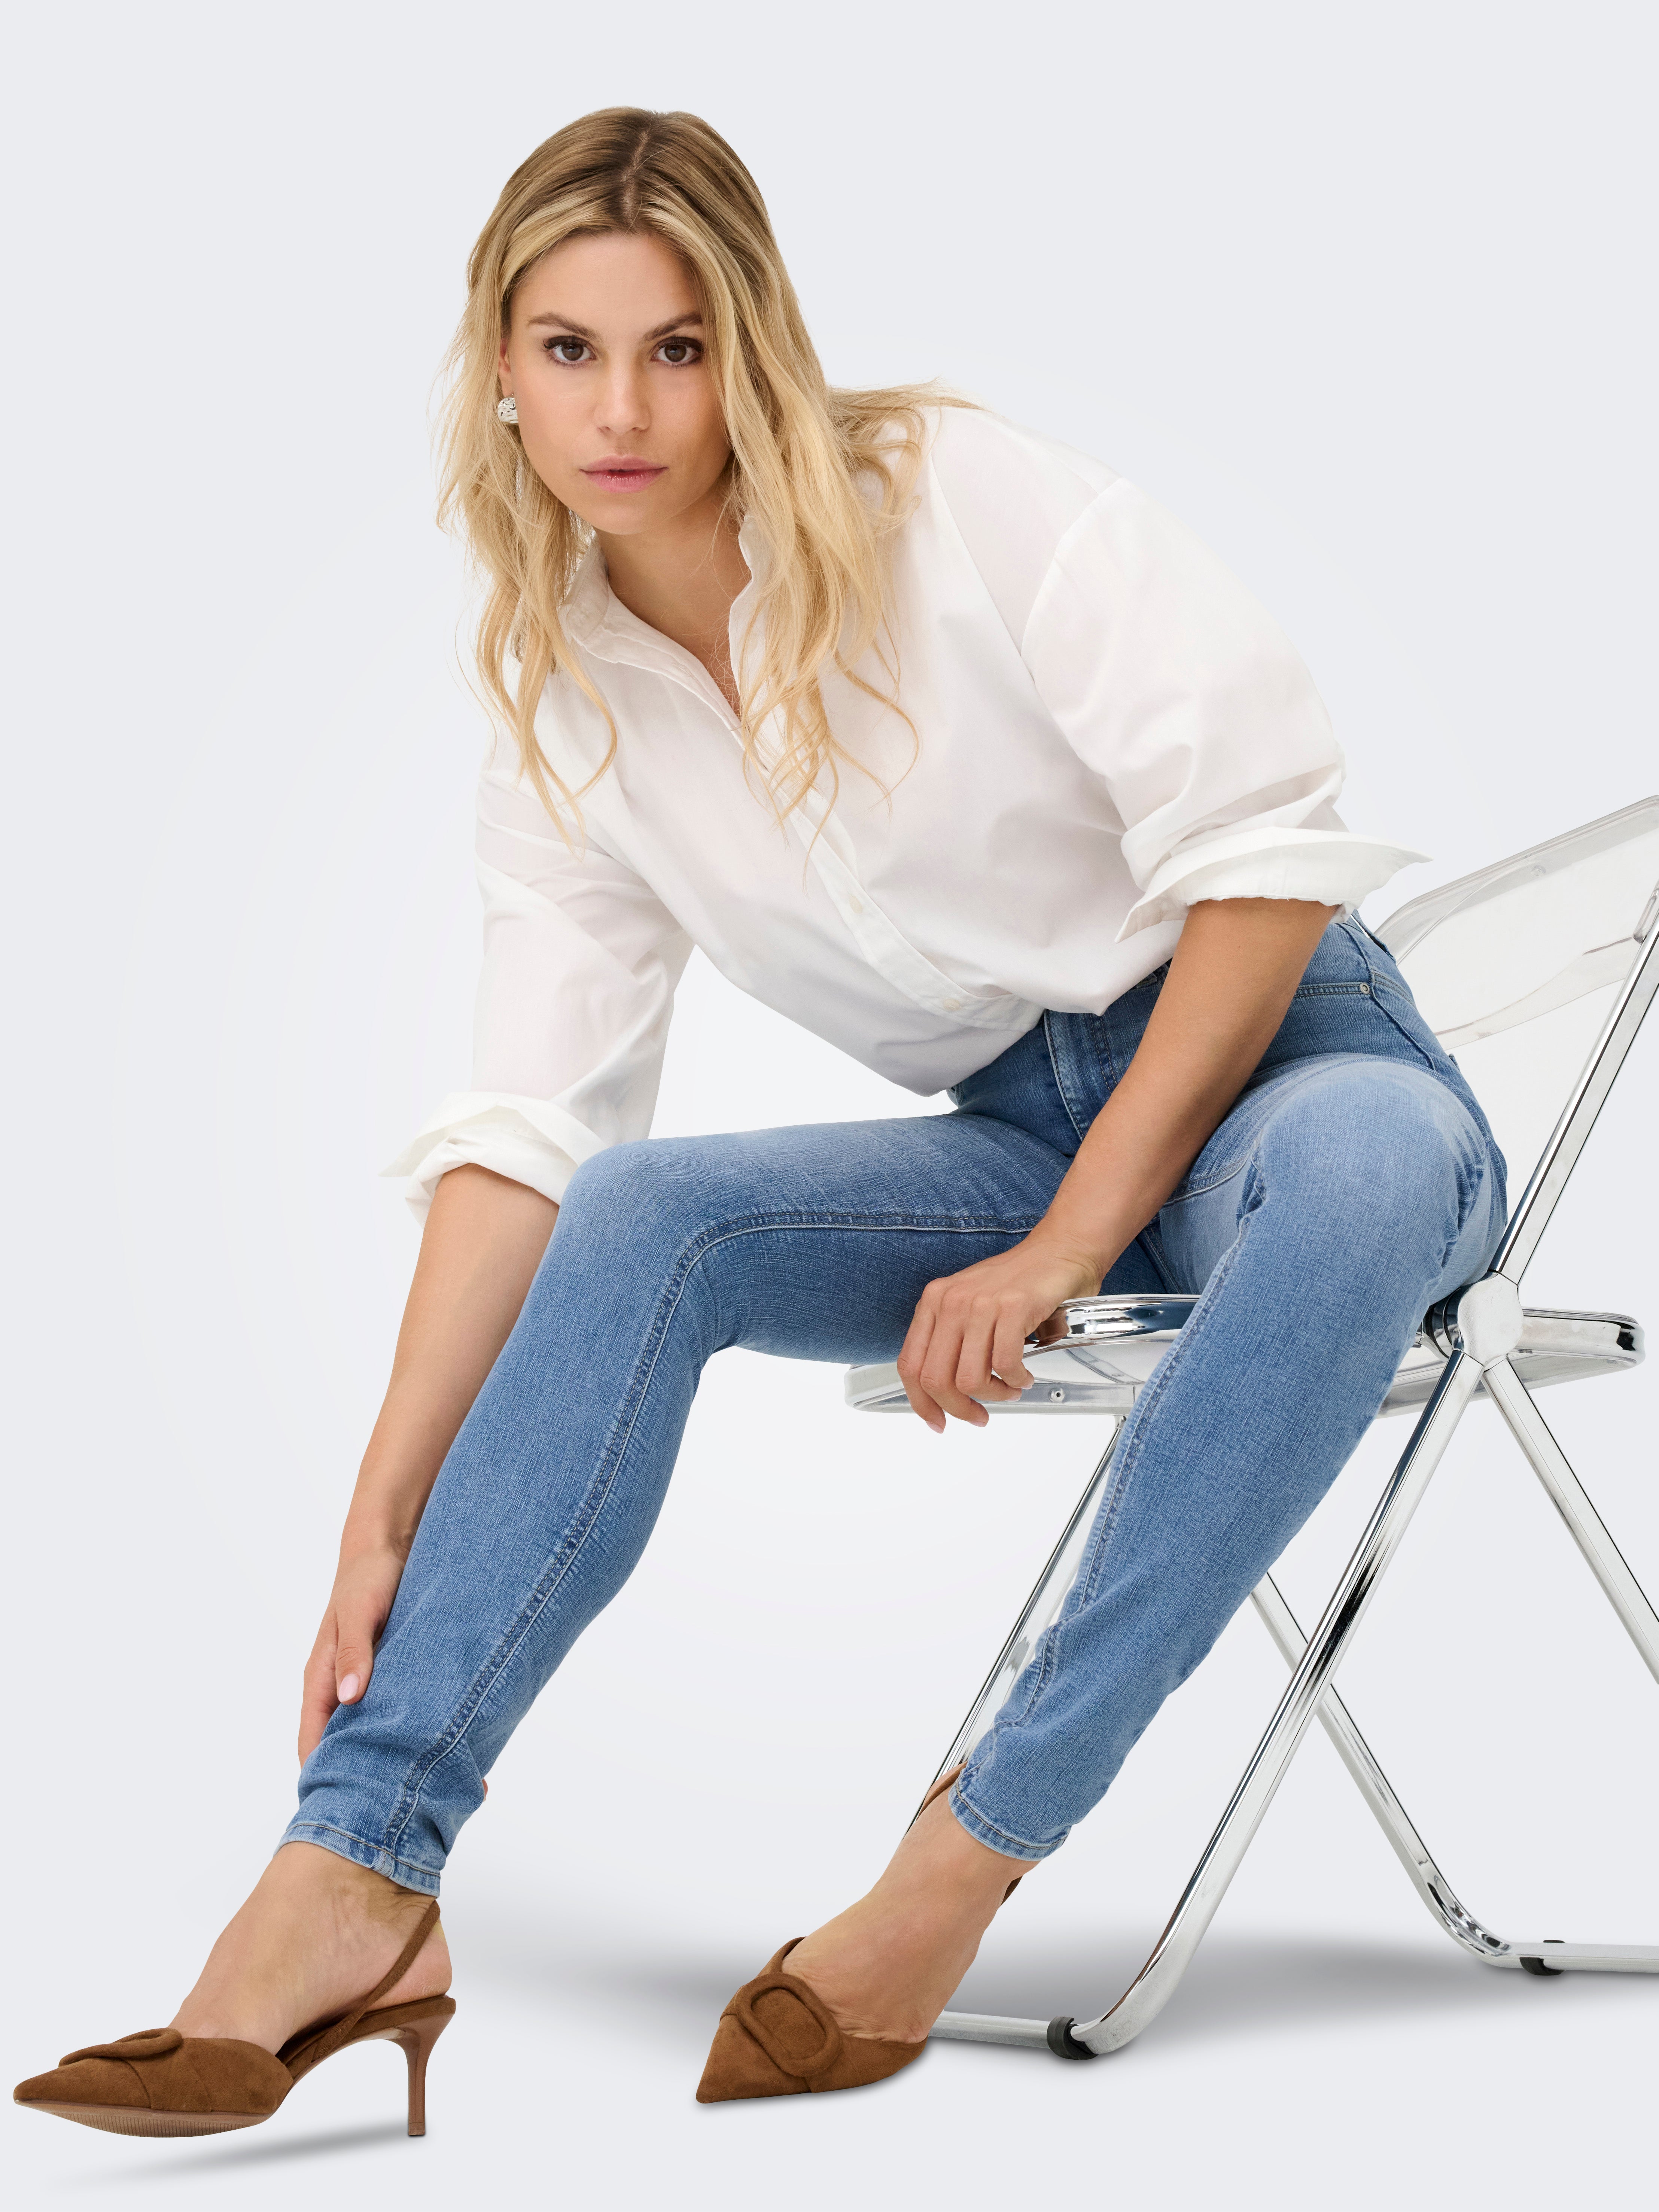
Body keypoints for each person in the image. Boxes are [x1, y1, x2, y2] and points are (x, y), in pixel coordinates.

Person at [15, 106, 1506, 2133]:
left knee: (1368, 1171)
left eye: (679, 346)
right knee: (645, 1210)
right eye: (569, 350)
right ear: (500, 368)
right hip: (1020, 1132)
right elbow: (528, 1137)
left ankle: (966, 1856)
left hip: (1288, 1071)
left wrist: (1073, 1245)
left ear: (755, 346)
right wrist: (380, 1503)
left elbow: (1265, 861)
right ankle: (354, 1874)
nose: (623, 409)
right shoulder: (568, 708)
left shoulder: (961, 500)